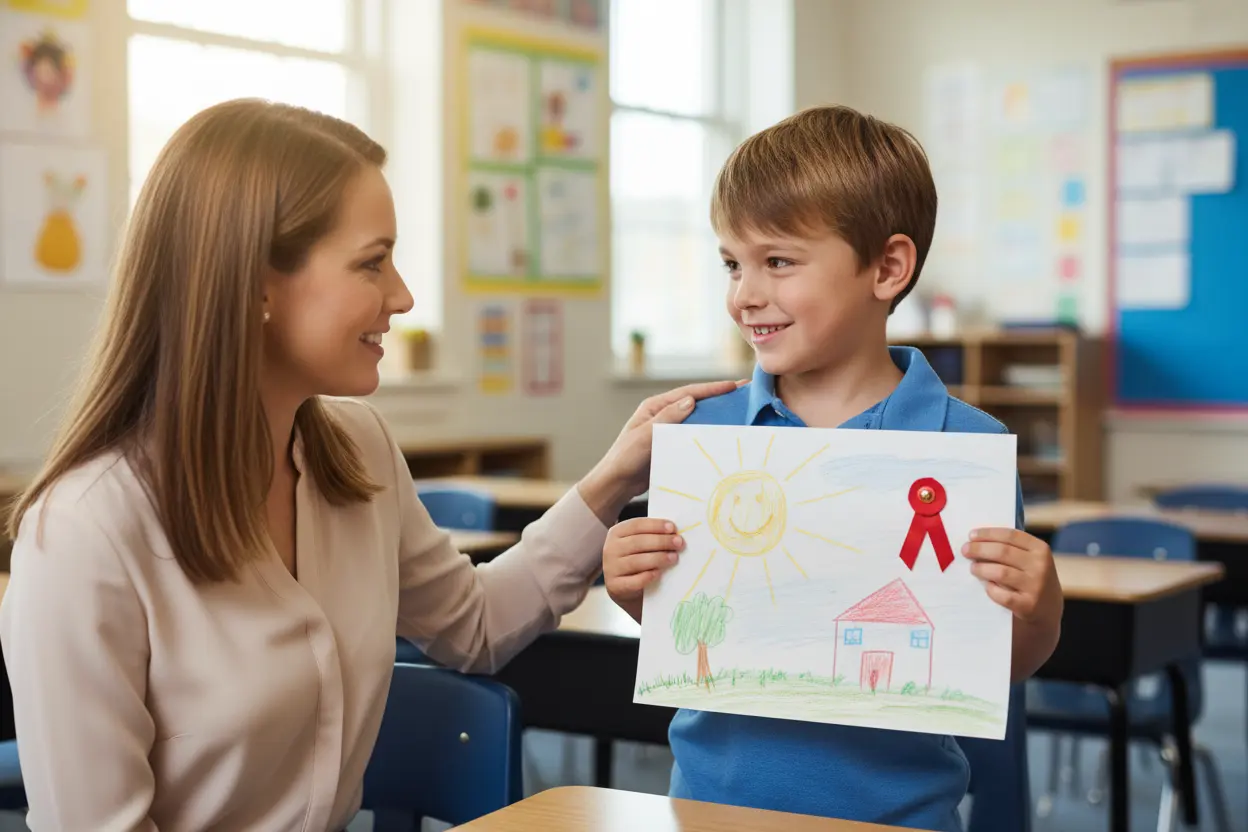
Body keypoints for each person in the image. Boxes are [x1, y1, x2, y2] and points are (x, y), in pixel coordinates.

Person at [0, 98, 738, 831]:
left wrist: (616, 475)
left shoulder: (357, 451)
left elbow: (473, 626)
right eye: (372, 262)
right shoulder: (83, 531)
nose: (404, 295)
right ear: (256, 282)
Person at [601, 105, 1063, 831]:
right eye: (732, 263)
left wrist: (1042, 610)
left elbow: (991, 663)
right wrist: (637, 586)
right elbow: (697, 630)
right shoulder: (705, 435)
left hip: (898, 816)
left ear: (887, 267)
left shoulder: (965, 448)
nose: (744, 293)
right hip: (710, 811)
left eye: (777, 261)